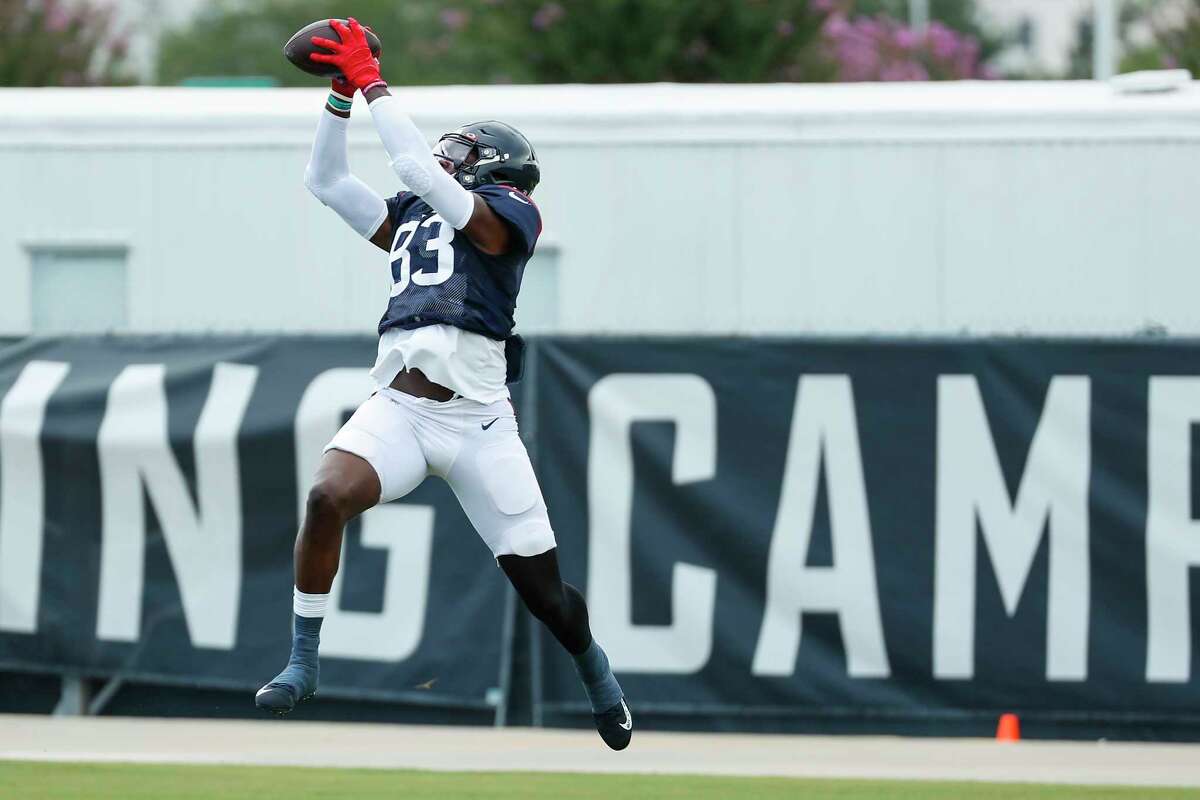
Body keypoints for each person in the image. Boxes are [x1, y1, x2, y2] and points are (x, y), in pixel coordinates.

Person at [253, 19, 631, 751]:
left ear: (494, 168)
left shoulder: (511, 215)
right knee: (327, 494)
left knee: (546, 597)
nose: (444, 155)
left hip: (478, 424)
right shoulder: (418, 217)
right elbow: (325, 182)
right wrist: (339, 96)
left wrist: (373, 83)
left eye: (463, 150)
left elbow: (420, 172)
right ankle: (302, 660)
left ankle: (595, 670)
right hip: (398, 405)